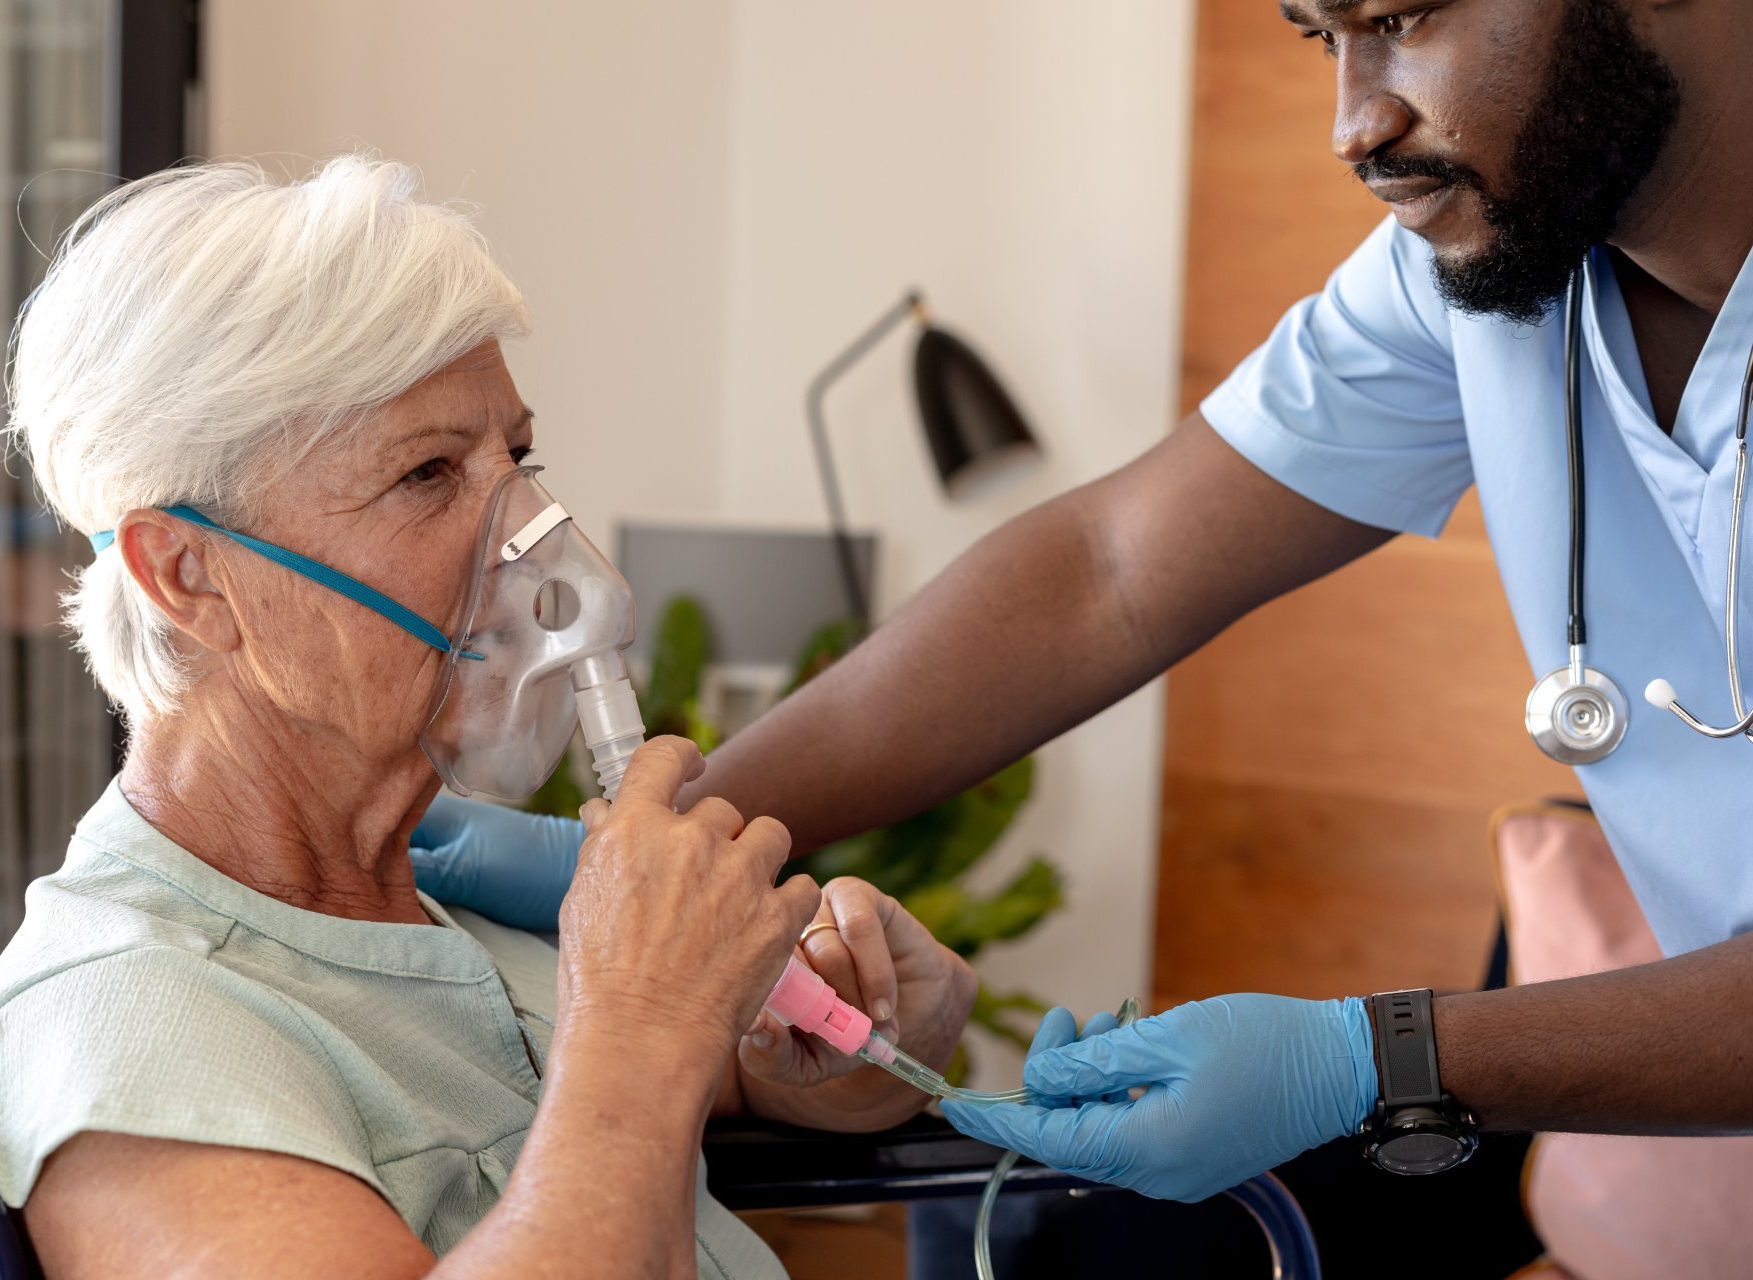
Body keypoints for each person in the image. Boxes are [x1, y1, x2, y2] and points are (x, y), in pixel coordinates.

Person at [417, 0, 1753, 1213]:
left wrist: (1375, 1059)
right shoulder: (1486, 263)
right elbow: (1108, 570)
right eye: (1317, 36)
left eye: (1399, 18)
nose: (1356, 119)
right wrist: (691, 830)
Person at [0, 157, 977, 1280]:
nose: (534, 540)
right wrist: (644, 1012)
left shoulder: (432, 934)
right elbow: (625, 1091)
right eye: (424, 474)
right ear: (190, 574)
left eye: (515, 458)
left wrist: (848, 1038)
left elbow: (732, 1082)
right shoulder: (125, 1037)